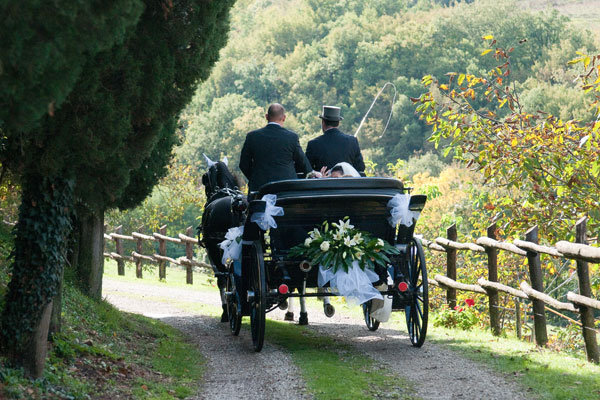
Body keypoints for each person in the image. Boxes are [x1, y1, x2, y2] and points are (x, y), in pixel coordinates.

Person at [239, 103, 312, 192]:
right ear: (284, 118)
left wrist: (256, 177)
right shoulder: (292, 137)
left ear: (266, 116)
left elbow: (243, 164)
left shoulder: (252, 136)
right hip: (287, 189)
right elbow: (303, 163)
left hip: (260, 188)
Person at [305, 105, 365, 174]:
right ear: (338, 123)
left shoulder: (313, 144)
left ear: (323, 123)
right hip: (347, 184)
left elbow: (308, 170)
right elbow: (360, 167)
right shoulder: (352, 141)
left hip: (323, 184)